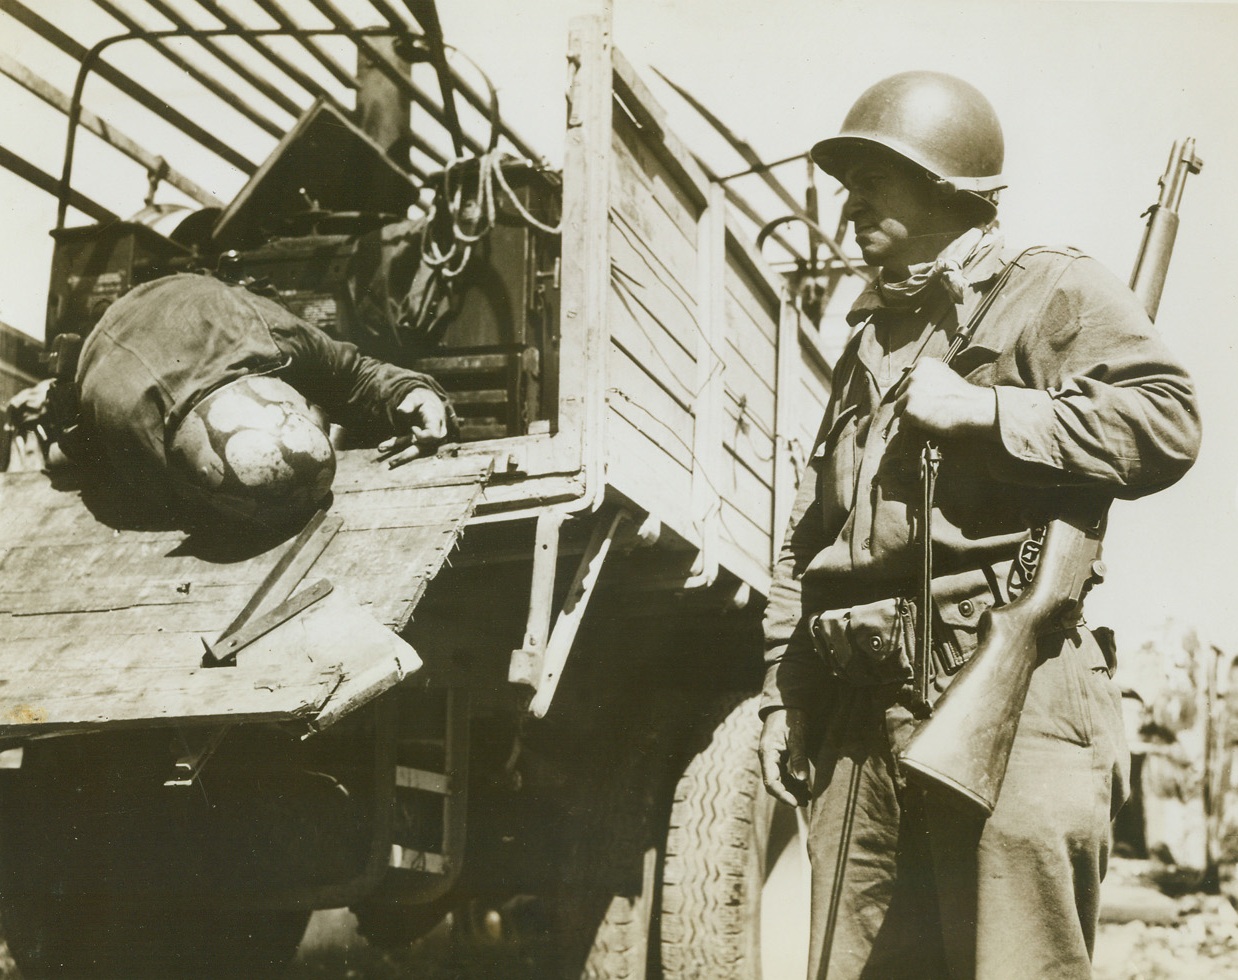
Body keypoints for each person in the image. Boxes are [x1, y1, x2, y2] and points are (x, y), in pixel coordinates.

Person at [756, 71, 1201, 980]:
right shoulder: (872, 340)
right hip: (858, 719)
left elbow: (1167, 420)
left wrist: (988, 414)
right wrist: (784, 691)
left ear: (943, 186)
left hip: (1013, 700)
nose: (847, 215)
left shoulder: (1051, 290)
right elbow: (814, 538)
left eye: (869, 187)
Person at [69, 271, 453, 529]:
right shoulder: (133, 440)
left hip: (193, 296)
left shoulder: (275, 335)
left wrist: (412, 392)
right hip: (107, 345)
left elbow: (353, 372)